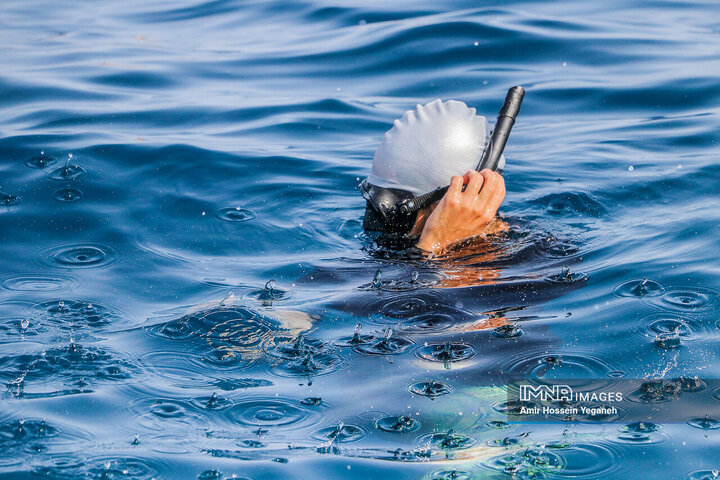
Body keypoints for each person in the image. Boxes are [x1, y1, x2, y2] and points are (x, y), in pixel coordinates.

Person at [361, 99, 507, 255]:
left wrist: (434, 244)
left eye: (395, 217)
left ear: (453, 201)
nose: (372, 226)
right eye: (373, 206)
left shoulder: (527, 266)